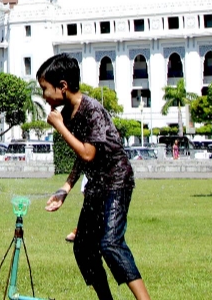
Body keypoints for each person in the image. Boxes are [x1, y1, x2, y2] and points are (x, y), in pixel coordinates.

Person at [39, 54, 149, 300]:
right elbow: (83, 154)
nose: (44, 96)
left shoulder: (92, 110)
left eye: (45, 89)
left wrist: (59, 126)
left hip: (117, 182)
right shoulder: (68, 113)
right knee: (83, 248)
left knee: (110, 243)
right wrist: (65, 188)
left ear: (63, 86)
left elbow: (88, 153)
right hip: (97, 186)